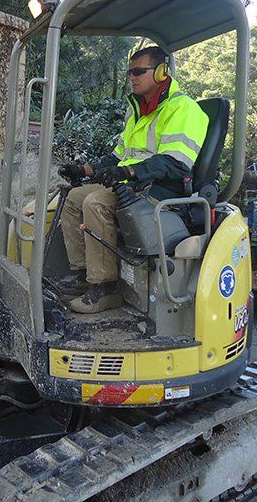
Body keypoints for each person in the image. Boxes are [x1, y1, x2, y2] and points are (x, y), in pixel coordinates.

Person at [56, 46, 209, 313]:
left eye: (139, 71)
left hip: (161, 189)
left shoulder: (183, 109)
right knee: (72, 197)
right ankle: (83, 273)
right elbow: (117, 156)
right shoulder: (139, 111)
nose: (132, 77)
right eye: (130, 72)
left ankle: (105, 288)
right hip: (132, 184)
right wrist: (84, 171)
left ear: (162, 72)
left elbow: (176, 163)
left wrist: (128, 173)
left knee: (94, 202)